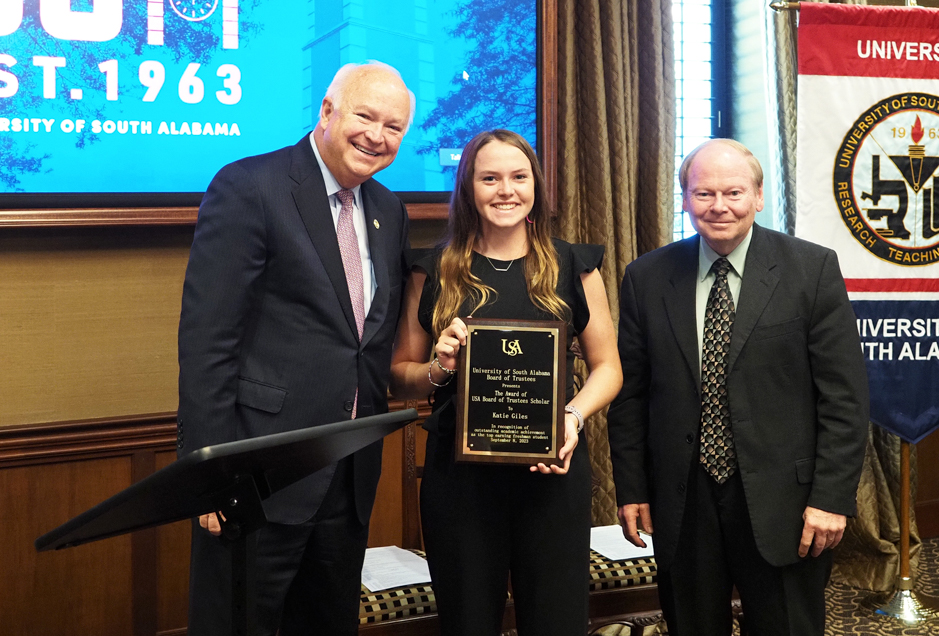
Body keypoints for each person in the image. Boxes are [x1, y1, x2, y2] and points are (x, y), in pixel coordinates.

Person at [177, 61, 414, 636]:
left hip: (347, 478)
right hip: (257, 479)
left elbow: (366, 343)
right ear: (327, 112)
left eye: (395, 128)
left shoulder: (388, 209)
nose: (377, 137)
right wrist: (210, 475)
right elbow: (208, 343)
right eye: (365, 116)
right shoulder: (250, 187)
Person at [608, 139, 869, 636]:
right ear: (684, 199)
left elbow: (845, 398)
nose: (719, 206)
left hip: (786, 505)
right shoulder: (646, 277)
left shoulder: (811, 270)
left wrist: (832, 497)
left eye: (733, 191)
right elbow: (631, 395)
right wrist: (633, 487)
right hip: (684, 503)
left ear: (759, 196)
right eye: (703, 193)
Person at [389, 129, 622, 636]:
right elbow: (402, 377)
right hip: (461, 484)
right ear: (468, 187)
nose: (505, 190)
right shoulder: (430, 271)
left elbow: (609, 368)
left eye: (518, 177)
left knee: (556, 622)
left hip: (552, 472)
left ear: (535, 185)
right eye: (489, 177)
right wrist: (440, 366)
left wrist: (572, 417)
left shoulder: (573, 266)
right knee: (468, 621)